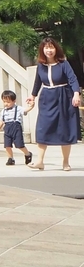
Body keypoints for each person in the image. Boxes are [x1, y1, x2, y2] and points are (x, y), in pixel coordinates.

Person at [25, 38, 81, 171]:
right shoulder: (40, 66)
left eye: (51, 47)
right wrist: (32, 96)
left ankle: (66, 162)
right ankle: (39, 161)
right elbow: (37, 82)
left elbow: (73, 79)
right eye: (46, 48)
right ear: (42, 50)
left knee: (65, 129)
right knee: (42, 128)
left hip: (63, 97)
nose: (49, 50)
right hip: (47, 97)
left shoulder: (63, 64)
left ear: (56, 49)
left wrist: (76, 94)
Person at [0, 90, 32, 166]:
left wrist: (31, 106)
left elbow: (25, 110)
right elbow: (1, 121)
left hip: (16, 127)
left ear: (14, 101)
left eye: (8, 102)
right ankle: (10, 158)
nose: (6, 104)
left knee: (19, 145)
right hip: (7, 128)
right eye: (4, 102)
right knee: (7, 145)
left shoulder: (18, 108)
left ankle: (27, 154)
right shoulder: (3, 111)